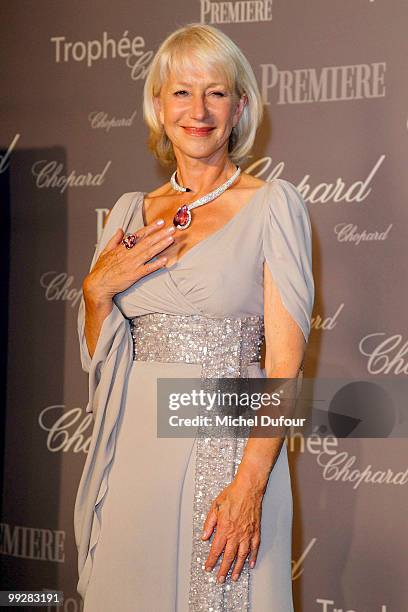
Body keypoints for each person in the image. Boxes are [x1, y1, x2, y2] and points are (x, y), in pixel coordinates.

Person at [74, 22, 314, 612]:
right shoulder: (131, 212)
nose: (198, 110)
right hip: (134, 452)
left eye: (216, 92)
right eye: (182, 92)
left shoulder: (271, 206)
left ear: (240, 107)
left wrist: (250, 485)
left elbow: (285, 362)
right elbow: (99, 355)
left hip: (233, 450)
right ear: (159, 106)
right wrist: (94, 293)